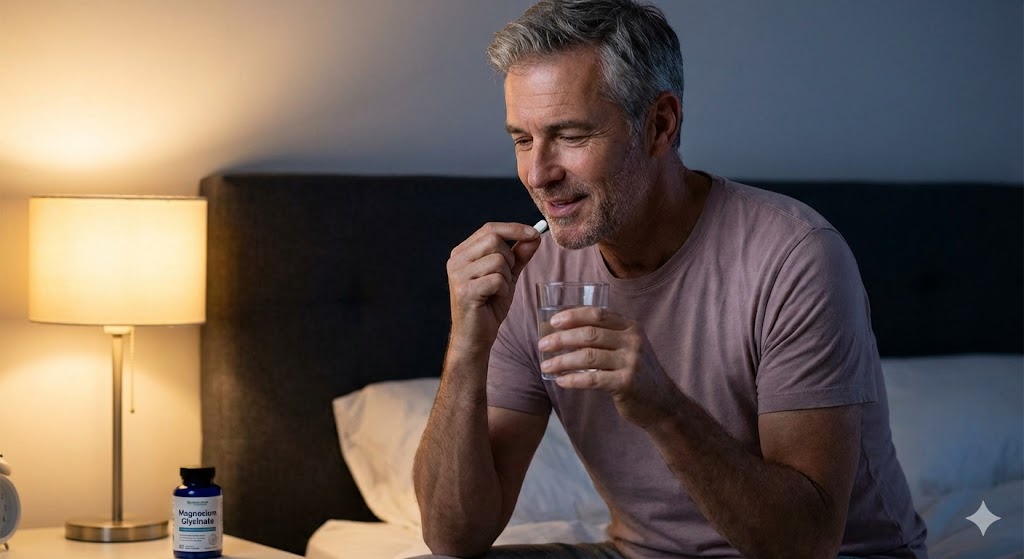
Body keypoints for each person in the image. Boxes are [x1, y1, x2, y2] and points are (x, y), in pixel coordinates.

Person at [412, 1, 928, 557]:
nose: (538, 173)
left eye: (572, 135)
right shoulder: (530, 272)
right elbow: (453, 537)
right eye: (522, 139)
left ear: (660, 125)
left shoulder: (795, 257)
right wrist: (467, 348)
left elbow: (806, 545)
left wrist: (664, 409)